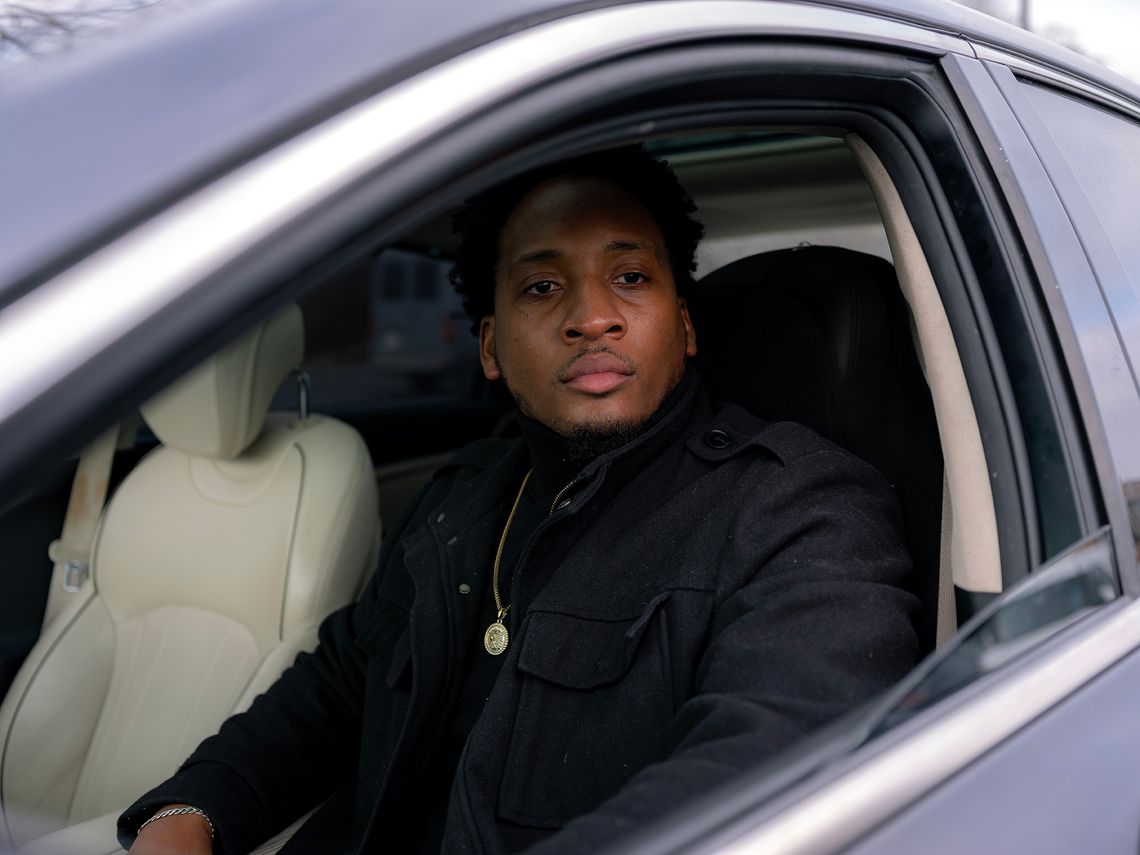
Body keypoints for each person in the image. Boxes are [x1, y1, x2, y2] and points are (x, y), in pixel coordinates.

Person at [119, 146, 919, 854]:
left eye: (630, 277)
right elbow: (341, 685)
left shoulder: (799, 510)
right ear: (492, 347)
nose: (592, 315)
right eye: (542, 285)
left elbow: (767, 770)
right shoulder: (462, 497)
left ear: (684, 326)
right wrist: (193, 806)